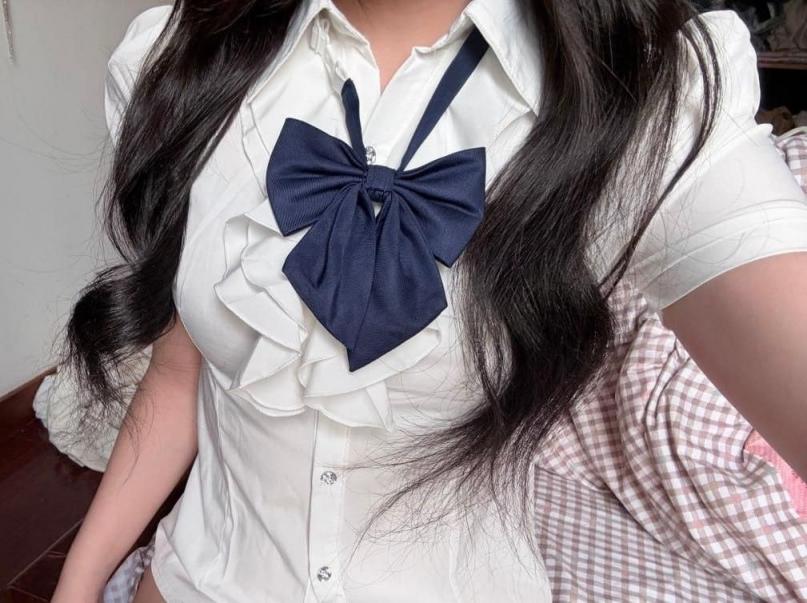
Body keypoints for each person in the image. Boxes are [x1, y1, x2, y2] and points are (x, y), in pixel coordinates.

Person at [52, 0, 807, 601]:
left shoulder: (643, 95)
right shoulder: (176, 63)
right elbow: (179, 370)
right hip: (195, 582)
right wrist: (78, 583)